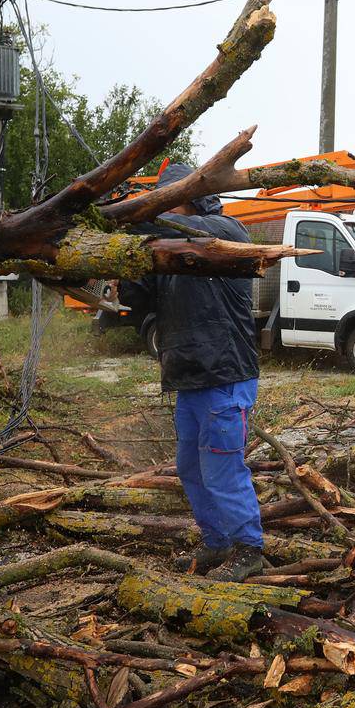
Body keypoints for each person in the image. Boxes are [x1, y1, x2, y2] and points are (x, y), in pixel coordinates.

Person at [121, 161, 265, 583]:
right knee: (190, 467)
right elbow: (140, 296)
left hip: (225, 375)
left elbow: (211, 235)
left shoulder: (226, 235)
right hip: (188, 379)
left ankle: (249, 547)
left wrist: (145, 216)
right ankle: (217, 539)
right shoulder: (165, 250)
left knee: (222, 470)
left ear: (193, 198)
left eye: (171, 201)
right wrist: (123, 265)